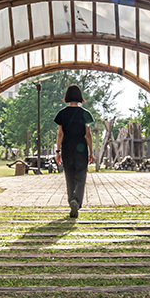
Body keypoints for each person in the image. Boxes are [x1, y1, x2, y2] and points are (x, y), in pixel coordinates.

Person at [53, 84, 94, 218]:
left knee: (69, 176)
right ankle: (77, 200)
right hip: (81, 149)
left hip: (67, 149)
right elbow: (87, 134)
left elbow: (60, 134)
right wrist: (91, 152)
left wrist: (58, 151)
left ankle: (71, 201)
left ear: (67, 96)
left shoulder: (62, 114)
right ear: (80, 97)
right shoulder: (86, 114)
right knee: (81, 177)